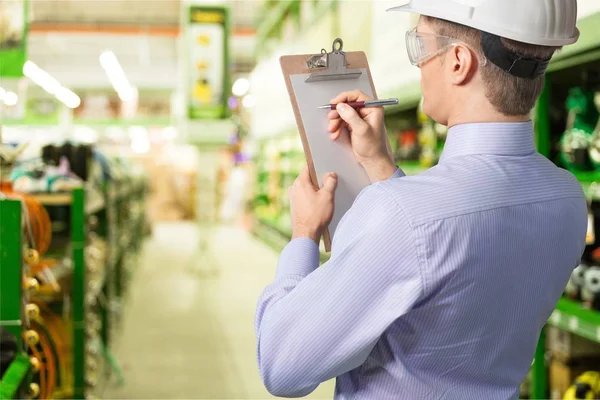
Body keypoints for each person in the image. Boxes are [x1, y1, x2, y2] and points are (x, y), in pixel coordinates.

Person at [255, 0, 587, 398]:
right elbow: (438, 257)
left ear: (458, 62)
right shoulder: (566, 198)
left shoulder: (404, 217)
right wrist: (380, 167)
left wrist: (304, 234)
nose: (418, 63)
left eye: (421, 45)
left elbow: (282, 363)